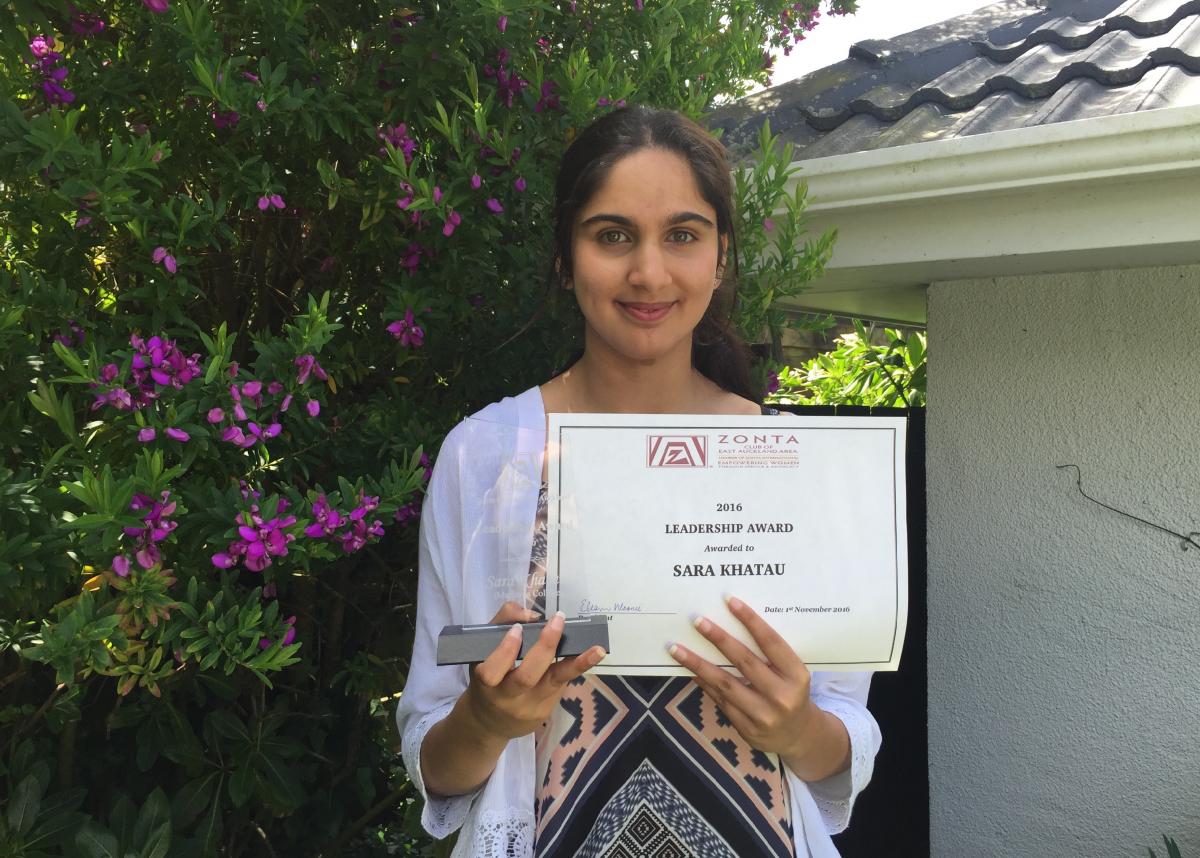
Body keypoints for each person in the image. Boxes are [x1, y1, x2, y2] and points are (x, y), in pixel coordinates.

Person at [397, 106, 880, 858]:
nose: (649, 272)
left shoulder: (795, 467)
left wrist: (797, 729)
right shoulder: (486, 457)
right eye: (612, 235)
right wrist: (487, 721)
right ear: (566, 256)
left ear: (720, 255)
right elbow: (436, 761)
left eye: (682, 235)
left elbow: (843, 737)